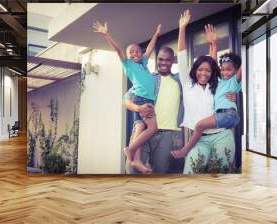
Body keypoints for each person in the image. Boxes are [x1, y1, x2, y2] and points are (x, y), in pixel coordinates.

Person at [93, 21, 161, 173]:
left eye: (137, 51)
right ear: (128, 56)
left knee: (140, 127)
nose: (135, 54)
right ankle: (130, 150)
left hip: (147, 100)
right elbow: (118, 49)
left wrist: (156, 35)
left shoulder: (143, 62)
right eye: (131, 52)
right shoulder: (128, 64)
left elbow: (149, 48)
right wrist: (106, 34)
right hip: (142, 99)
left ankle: (136, 161)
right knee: (153, 127)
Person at [176, 10, 237, 173]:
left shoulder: (214, 85)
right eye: (200, 70)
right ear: (194, 70)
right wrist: (182, 28)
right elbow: (181, 56)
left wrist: (214, 45)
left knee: (219, 175)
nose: (204, 73)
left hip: (222, 136)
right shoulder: (187, 84)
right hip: (198, 140)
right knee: (190, 172)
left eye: (208, 71)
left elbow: (212, 63)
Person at [124, 47, 185, 174]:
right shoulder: (148, 77)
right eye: (160, 59)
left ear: (172, 61)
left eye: (167, 60)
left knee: (159, 173)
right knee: (133, 171)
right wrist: (138, 108)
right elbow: (126, 100)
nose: (163, 63)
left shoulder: (180, 81)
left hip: (166, 135)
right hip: (144, 131)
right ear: (156, 60)